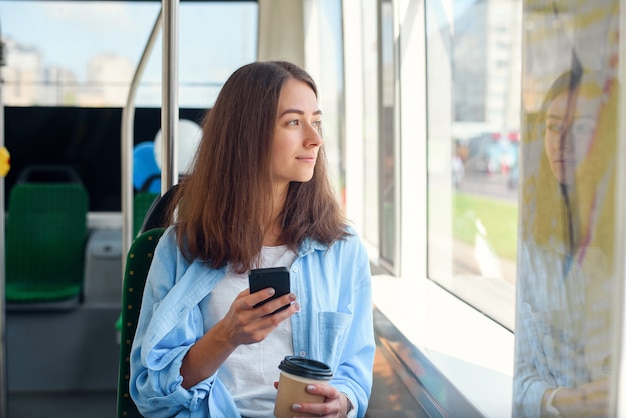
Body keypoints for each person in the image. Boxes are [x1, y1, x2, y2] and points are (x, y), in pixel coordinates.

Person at [129, 60, 375, 418]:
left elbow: (354, 370)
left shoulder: (343, 249)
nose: (315, 139)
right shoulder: (180, 249)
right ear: (248, 133)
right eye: (294, 122)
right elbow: (150, 394)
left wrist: (344, 403)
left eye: (316, 121)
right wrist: (227, 335)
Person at [513, 64, 618, 417]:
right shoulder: (530, 243)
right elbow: (520, 375)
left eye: (581, 127)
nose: (562, 142)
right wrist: (566, 402)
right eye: (553, 126)